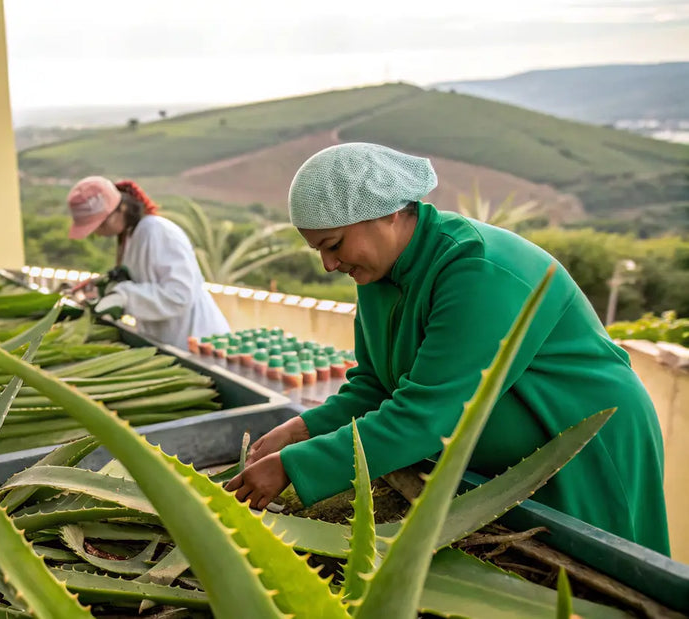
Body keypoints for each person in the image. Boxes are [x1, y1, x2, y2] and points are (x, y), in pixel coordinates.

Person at [227, 142, 669, 554]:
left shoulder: (476, 271)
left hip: (581, 438)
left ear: (389, 213)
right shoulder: (378, 275)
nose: (328, 264)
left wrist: (294, 467)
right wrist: (302, 430)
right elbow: (376, 387)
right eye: (318, 250)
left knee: (596, 582)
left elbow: (428, 415)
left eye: (334, 244)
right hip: (505, 468)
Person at [66, 176, 230, 349]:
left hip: (197, 341)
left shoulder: (157, 231)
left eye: (101, 224)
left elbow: (179, 295)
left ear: (121, 208)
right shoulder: (131, 236)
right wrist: (104, 287)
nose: (98, 232)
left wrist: (125, 296)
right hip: (167, 340)